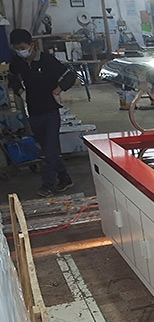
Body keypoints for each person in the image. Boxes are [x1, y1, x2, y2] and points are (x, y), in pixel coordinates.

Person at [8, 28, 76, 197]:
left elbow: (70, 76)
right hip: (33, 112)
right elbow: (12, 78)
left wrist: (58, 90)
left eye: (22, 47)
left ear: (31, 45)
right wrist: (21, 92)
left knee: (50, 150)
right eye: (16, 48)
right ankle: (65, 179)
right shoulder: (17, 62)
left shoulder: (47, 61)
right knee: (47, 149)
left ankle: (47, 185)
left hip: (51, 111)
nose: (20, 51)